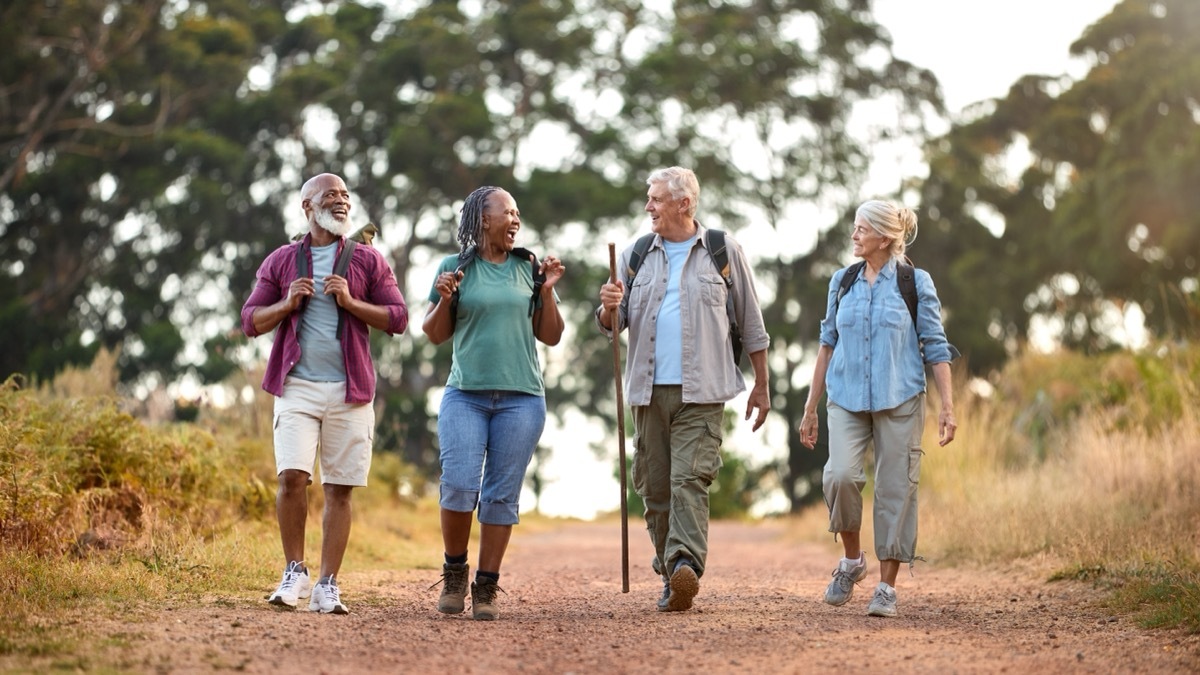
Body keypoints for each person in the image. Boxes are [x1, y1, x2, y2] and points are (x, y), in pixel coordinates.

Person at [596, 166, 771, 612]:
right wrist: (607, 308)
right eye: (649, 198)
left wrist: (762, 386)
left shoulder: (722, 250)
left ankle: (683, 564)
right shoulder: (635, 254)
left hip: (704, 391)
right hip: (647, 392)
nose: (648, 206)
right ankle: (670, 572)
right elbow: (611, 326)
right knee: (655, 489)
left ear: (684, 203)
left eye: (655, 199)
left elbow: (752, 323)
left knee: (688, 479)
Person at [241, 173, 408, 614]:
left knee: (339, 488)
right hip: (296, 387)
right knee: (291, 477)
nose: (341, 201)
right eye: (330, 195)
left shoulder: (368, 261)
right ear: (307, 206)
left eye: (345, 196)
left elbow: (398, 317)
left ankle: (328, 584)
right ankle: (294, 571)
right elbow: (249, 320)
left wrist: (352, 303)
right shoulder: (281, 261)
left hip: (350, 391)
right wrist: (285, 304)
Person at [798, 199, 958, 618]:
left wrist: (947, 406)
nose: (854, 235)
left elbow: (936, 347)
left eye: (861, 229)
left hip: (900, 397)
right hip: (846, 397)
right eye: (855, 228)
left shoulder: (914, 282)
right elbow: (827, 343)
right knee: (841, 476)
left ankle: (886, 587)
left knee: (895, 489)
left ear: (884, 238)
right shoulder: (842, 281)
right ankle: (852, 561)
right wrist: (811, 406)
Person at [424, 186, 565, 621]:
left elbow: (552, 335)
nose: (516, 220)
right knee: (460, 486)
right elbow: (433, 333)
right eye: (509, 212)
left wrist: (547, 291)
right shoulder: (454, 268)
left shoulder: (528, 268)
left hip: (522, 400)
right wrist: (446, 298)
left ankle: (485, 586)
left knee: (501, 496)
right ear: (484, 220)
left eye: (518, 213)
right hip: (465, 396)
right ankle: (454, 572)